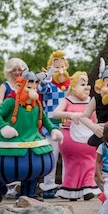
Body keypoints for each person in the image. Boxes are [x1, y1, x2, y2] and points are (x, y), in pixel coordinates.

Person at [0, 70, 63, 202]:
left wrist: (53, 130)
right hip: (8, 143)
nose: (33, 91)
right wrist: (4, 127)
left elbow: (45, 120)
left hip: (33, 142)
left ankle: (29, 193)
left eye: (35, 87)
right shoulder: (10, 102)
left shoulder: (37, 104)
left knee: (36, 166)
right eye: (29, 87)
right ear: (19, 87)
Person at [53, 71, 101, 201]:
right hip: (70, 135)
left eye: (87, 83)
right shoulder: (67, 100)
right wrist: (69, 115)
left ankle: (87, 187)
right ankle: (71, 189)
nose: (87, 87)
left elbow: (95, 119)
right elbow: (55, 113)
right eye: (82, 84)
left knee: (89, 162)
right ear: (73, 87)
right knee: (72, 164)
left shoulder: (91, 101)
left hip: (88, 137)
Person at [37, 50, 70, 198]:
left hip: (68, 126)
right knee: (52, 156)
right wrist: (48, 77)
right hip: (51, 125)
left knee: (68, 157)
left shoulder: (70, 86)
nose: (60, 71)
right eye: (56, 68)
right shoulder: (49, 85)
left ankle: (67, 185)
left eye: (62, 67)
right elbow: (40, 89)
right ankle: (48, 185)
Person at [0, 57, 28, 199]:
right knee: (9, 154)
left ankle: (23, 185)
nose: (16, 72)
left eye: (19, 69)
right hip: (9, 122)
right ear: (9, 71)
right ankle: (8, 186)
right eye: (14, 69)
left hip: (24, 123)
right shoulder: (5, 85)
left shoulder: (28, 84)